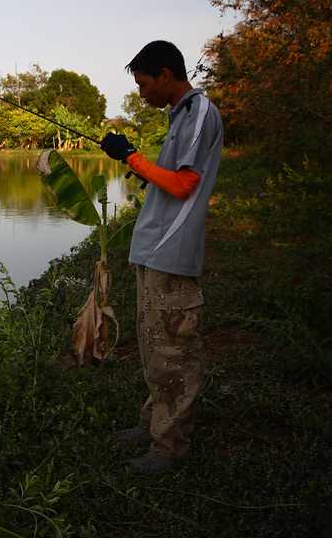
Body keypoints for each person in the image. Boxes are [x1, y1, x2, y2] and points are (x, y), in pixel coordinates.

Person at [101, 40, 224, 475]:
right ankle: (152, 422)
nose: (141, 92)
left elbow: (183, 184)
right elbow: (169, 178)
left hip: (172, 252)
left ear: (166, 75)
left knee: (174, 349)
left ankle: (169, 448)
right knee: (155, 344)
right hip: (155, 251)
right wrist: (130, 158)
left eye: (143, 83)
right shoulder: (181, 116)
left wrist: (130, 156)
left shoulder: (200, 112)